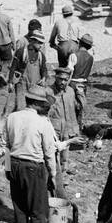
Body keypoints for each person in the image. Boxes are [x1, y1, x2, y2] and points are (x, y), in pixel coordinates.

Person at [0, 85, 59, 223]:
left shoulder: (12, 117)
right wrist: (52, 175)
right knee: (39, 210)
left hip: (14, 165)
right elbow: (49, 152)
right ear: (37, 103)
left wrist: (7, 167)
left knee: (20, 208)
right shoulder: (43, 122)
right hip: (33, 168)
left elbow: (4, 144)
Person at [47, 67, 80, 198]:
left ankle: (62, 180)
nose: (63, 82)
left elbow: (74, 111)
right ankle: (52, 182)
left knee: (65, 158)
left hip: (67, 129)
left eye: (66, 80)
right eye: (60, 79)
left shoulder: (71, 91)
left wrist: (75, 129)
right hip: (53, 130)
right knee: (52, 157)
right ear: (56, 78)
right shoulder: (48, 91)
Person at [8, 26, 49, 108]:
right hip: (21, 83)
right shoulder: (21, 52)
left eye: (42, 43)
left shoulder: (41, 55)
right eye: (39, 42)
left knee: (33, 107)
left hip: (35, 86)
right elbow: (13, 67)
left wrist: (44, 77)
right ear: (33, 41)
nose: (41, 45)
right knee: (20, 105)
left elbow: (44, 69)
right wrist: (10, 82)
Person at [71, 33, 95, 118]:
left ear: (80, 43)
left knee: (70, 104)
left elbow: (69, 70)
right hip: (83, 83)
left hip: (73, 83)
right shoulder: (91, 57)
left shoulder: (74, 55)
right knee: (81, 105)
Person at [49, 2, 76, 69]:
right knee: (74, 66)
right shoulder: (77, 21)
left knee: (62, 67)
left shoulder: (58, 22)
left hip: (63, 46)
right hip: (75, 46)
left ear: (63, 14)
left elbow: (53, 36)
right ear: (72, 13)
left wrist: (52, 44)